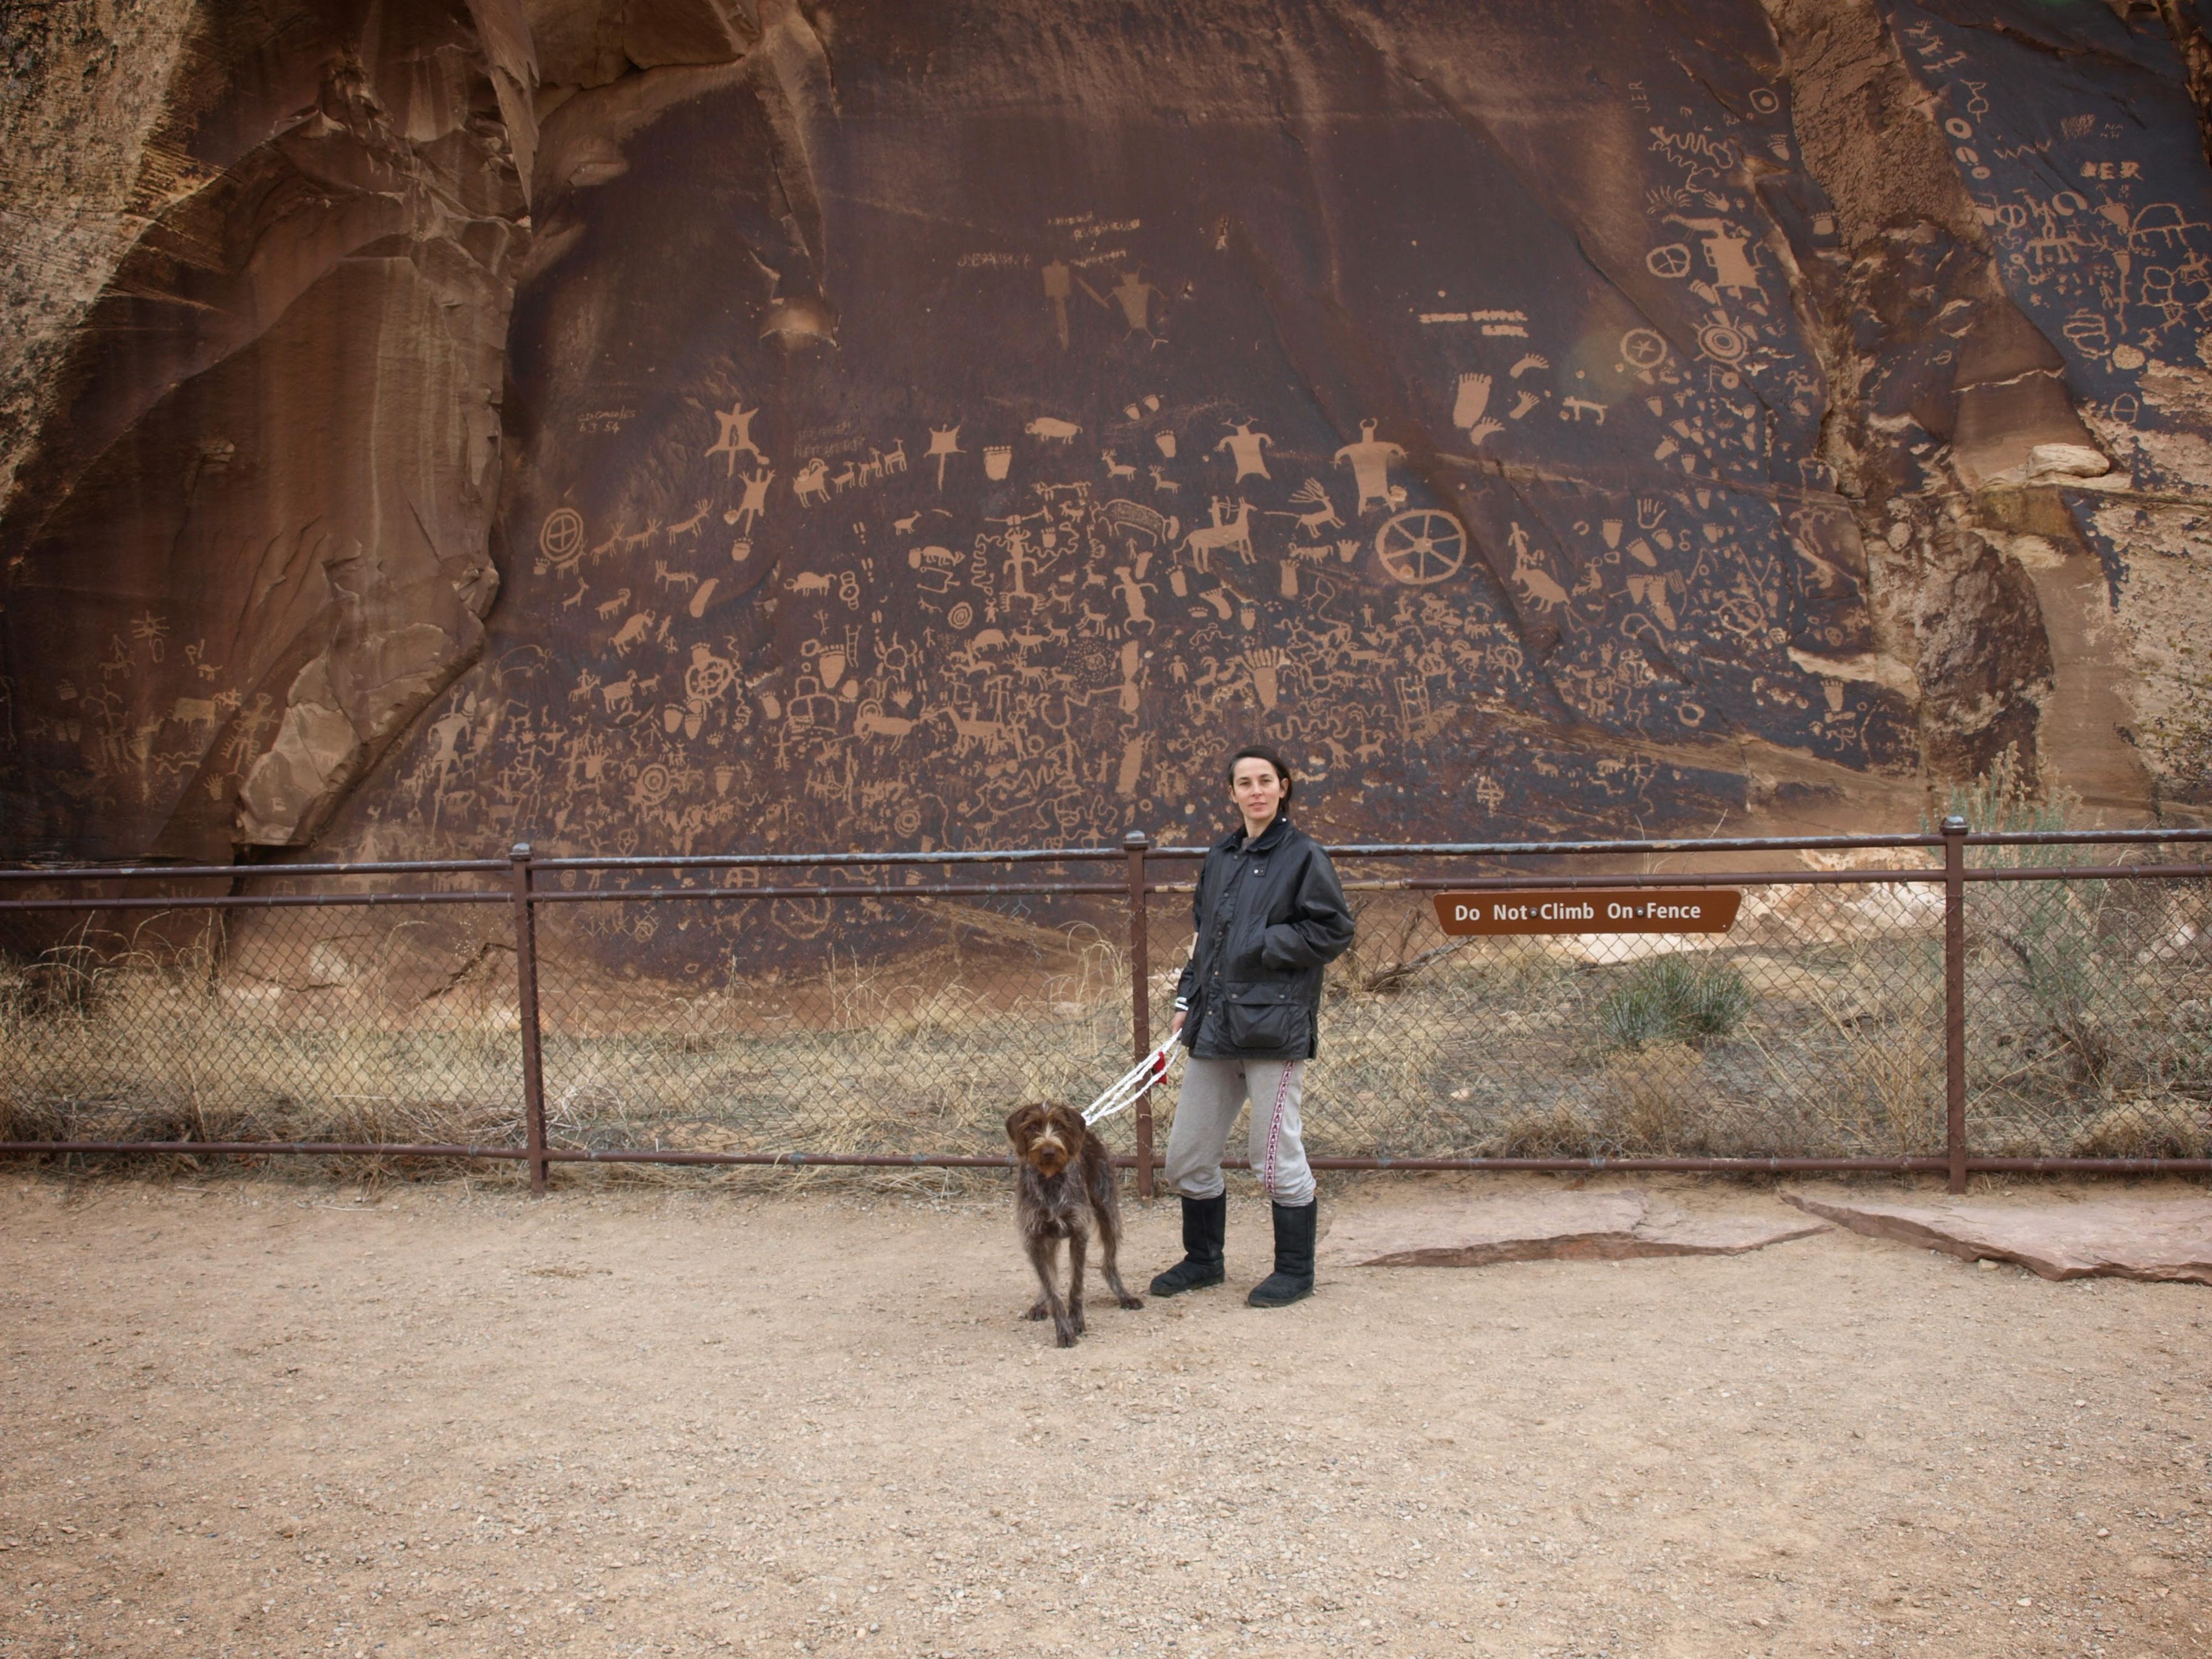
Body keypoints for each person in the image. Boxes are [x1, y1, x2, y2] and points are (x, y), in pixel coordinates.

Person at [1150, 746, 1355, 1307]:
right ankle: (1203, 1260)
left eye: (1266, 780)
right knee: (1187, 1156)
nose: (1256, 791)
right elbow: (1203, 937)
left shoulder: (1304, 855)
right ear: (1232, 793)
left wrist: (1264, 944)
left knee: (1273, 1157)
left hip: (1272, 1026)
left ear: (1284, 787)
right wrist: (1186, 998)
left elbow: (1332, 931)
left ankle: (1294, 1270)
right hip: (1214, 1026)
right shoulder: (1220, 857)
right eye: (1245, 783)